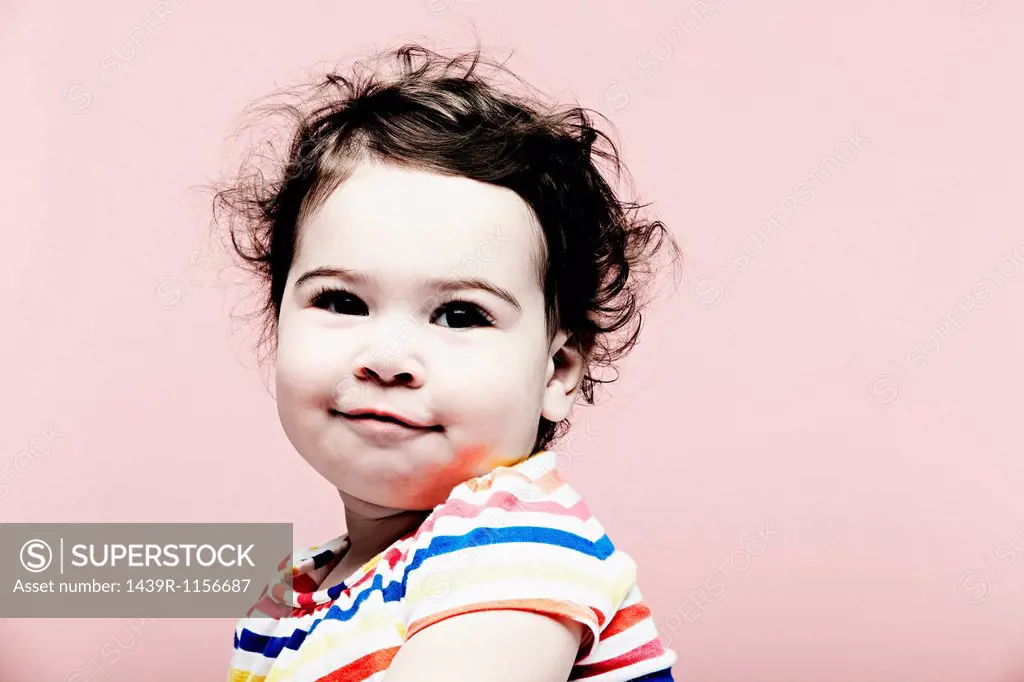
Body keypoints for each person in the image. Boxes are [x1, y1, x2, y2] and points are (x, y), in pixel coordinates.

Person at [213, 41, 683, 682]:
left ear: (557, 371)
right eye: (342, 301)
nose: (386, 359)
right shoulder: (295, 597)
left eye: (460, 315)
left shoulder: (514, 549)